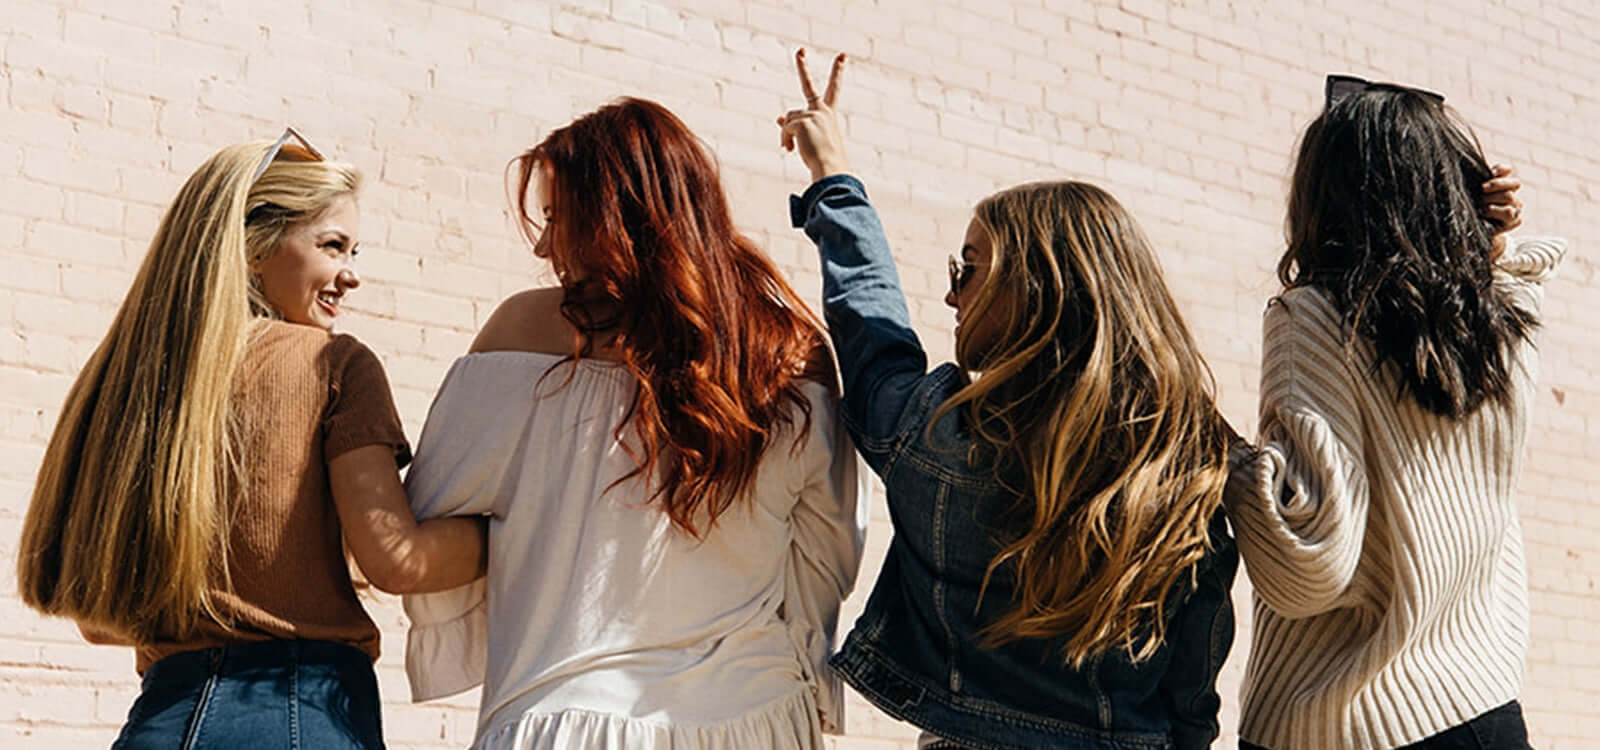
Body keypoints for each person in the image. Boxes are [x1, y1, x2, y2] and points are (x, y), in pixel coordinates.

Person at [779, 50, 1239, 749]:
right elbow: (1192, 688)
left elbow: (871, 332)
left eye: (968, 268)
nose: (952, 294)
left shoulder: (933, 437)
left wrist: (833, 175)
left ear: (1037, 294)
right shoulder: (1187, 469)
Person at [401, 97, 865, 750]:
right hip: (757, 718)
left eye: (558, 218)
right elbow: (824, 556)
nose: (541, 244)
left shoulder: (526, 334)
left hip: (568, 718)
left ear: (615, 221)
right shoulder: (793, 354)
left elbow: (432, 514)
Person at [15, 129, 488, 750]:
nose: (350, 276)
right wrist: (521, 531)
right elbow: (396, 559)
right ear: (256, 249)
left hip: (161, 718)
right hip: (300, 713)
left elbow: (96, 621)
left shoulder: (128, 381)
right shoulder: (333, 365)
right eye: (333, 246)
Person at [1225, 75, 1565, 750]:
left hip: (1341, 724)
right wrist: (1485, 245)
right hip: (1484, 707)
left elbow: (1309, 565)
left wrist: (1220, 457)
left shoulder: (1313, 318)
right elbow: (1519, 272)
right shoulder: (1506, 321)